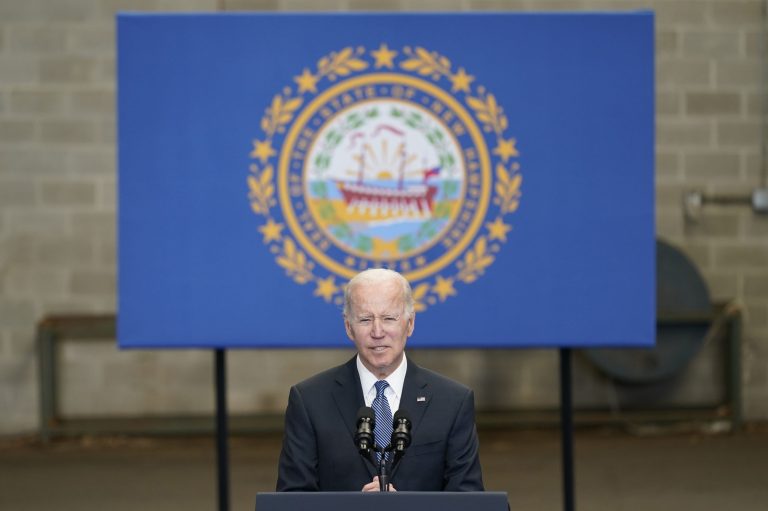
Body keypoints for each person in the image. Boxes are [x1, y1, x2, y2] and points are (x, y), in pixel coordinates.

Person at [276, 268, 484, 492]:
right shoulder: (309, 401)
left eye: (389, 318)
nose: (378, 331)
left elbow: (469, 498)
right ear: (349, 327)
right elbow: (292, 498)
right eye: (365, 319)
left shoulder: (452, 402)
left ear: (410, 323)